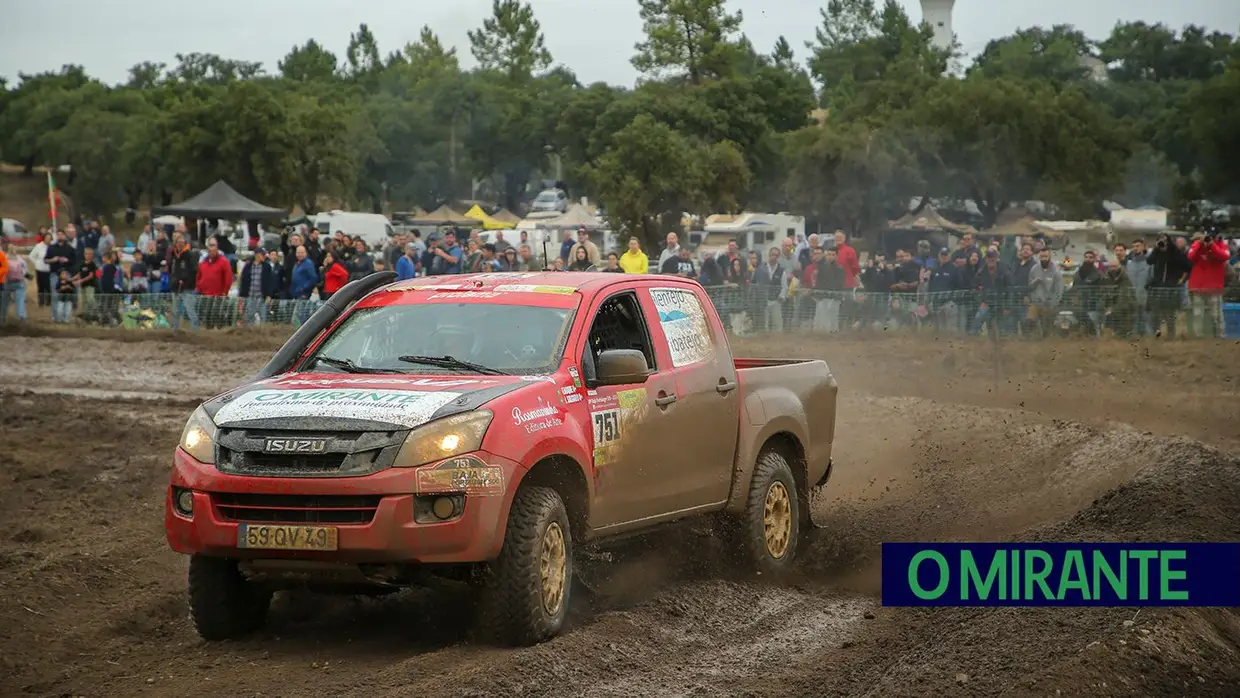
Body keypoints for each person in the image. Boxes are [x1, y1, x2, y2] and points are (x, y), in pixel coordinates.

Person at [1186, 230, 1231, 338]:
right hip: (1198, 287)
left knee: (1217, 315)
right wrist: (1199, 243)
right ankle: (1198, 336)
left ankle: (1220, 335)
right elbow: (1191, 256)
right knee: (1197, 314)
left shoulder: (1221, 245)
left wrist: (1212, 245)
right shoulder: (1197, 246)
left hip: (1214, 287)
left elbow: (1224, 256)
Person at [239, 248, 279, 325]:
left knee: (263, 316)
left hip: (262, 296)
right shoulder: (248, 266)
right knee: (250, 315)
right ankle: (250, 331)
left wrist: (269, 295)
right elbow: (243, 281)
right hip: (250, 295)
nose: (264, 257)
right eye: (262, 255)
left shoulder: (267, 267)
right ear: (257, 255)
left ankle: (262, 332)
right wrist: (242, 295)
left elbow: (270, 282)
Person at [29, 232, 51, 307]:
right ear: (44, 238)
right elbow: (31, 256)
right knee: (41, 286)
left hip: (49, 270)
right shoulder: (38, 246)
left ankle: (48, 302)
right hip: (40, 270)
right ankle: (41, 302)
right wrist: (37, 263)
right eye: (47, 238)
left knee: (48, 286)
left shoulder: (52, 246)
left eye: (49, 238)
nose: (48, 240)